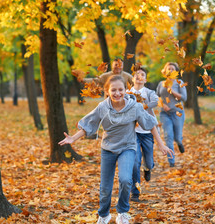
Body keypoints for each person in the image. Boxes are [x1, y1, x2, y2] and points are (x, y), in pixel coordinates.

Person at [59, 75, 174, 224]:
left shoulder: (135, 107)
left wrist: (160, 144)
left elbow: (150, 123)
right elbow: (90, 124)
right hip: (108, 149)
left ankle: (122, 212)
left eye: (121, 89)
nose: (117, 93)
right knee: (105, 188)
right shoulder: (102, 107)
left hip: (127, 147)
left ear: (126, 90)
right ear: (107, 91)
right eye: (114, 90)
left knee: (126, 180)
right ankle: (104, 214)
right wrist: (73, 138)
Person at [127, 67, 159, 202]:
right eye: (137, 74)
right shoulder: (128, 93)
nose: (139, 76)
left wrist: (142, 106)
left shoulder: (149, 92)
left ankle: (148, 168)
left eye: (142, 75)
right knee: (135, 163)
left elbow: (155, 102)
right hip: (133, 132)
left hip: (147, 132)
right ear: (133, 79)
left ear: (145, 79)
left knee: (149, 161)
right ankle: (135, 192)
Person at [156, 62, 187, 167]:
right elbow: (157, 97)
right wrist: (163, 104)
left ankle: (179, 142)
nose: (170, 70)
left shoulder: (179, 82)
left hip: (178, 113)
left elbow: (184, 97)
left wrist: (172, 91)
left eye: (172, 69)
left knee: (177, 137)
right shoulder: (161, 84)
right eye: (168, 68)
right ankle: (171, 161)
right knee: (168, 136)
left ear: (176, 71)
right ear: (165, 71)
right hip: (165, 113)